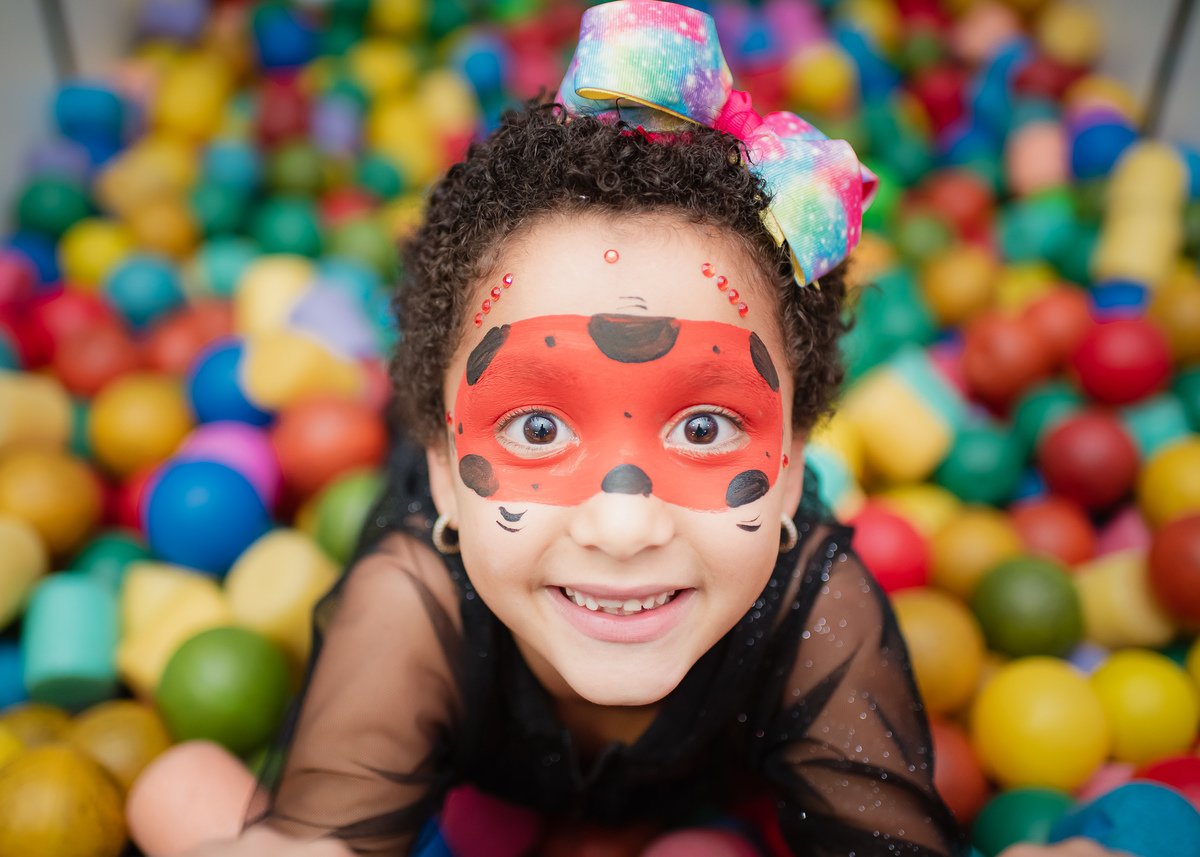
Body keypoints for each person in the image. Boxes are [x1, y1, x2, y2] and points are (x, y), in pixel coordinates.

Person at [188, 3, 1121, 856]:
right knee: (181, 787)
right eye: (540, 425)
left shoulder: (813, 611)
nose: (625, 526)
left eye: (709, 424)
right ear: (441, 471)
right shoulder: (412, 603)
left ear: (794, 470)